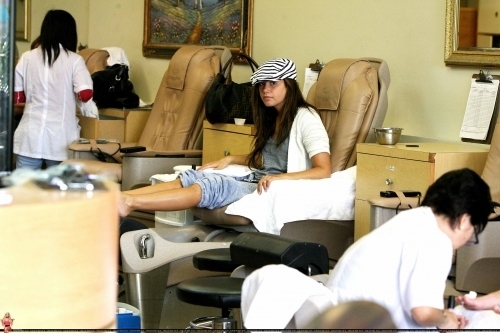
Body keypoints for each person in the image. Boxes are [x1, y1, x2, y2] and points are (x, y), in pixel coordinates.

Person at [241, 168, 493, 330]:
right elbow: (423, 313)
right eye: (472, 232)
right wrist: (447, 319)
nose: (466, 242)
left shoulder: (412, 220)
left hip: (337, 318)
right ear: (463, 220)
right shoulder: (436, 240)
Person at [118, 58, 331, 218]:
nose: (266, 90)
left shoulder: (306, 118)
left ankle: (131, 203)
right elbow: (266, 160)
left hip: (273, 187)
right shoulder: (271, 117)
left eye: (273, 84)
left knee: (212, 185)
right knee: (192, 176)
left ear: (289, 85)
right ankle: (124, 197)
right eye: (262, 85)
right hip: (258, 179)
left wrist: (279, 178)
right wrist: (229, 159)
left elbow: (323, 170)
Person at [13, 10, 93, 170]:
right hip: (60, 139)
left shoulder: (26, 58)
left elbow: (18, 98)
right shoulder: (75, 60)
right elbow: (85, 95)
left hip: (30, 135)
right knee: (58, 190)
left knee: (23, 188)